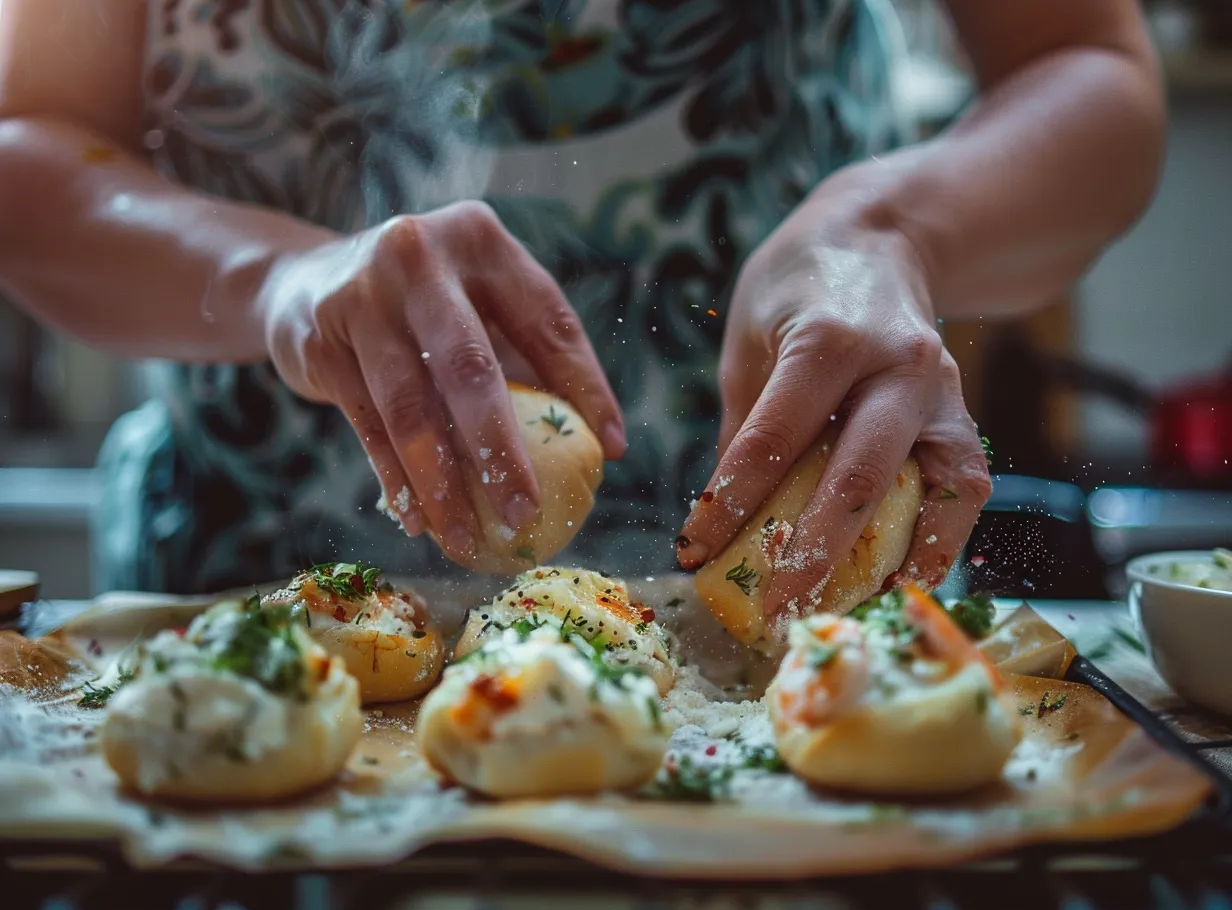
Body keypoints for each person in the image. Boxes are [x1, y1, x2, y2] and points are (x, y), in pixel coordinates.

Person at [0, 1, 1163, 620]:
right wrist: (272, 279)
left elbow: (1090, 75)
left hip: (801, 628)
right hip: (245, 622)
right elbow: (28, 147)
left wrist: (890, 232)